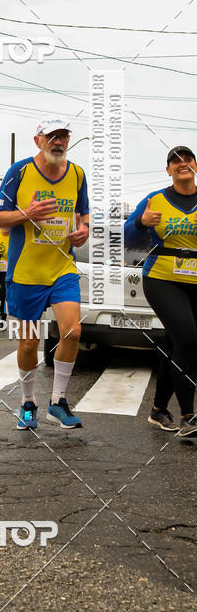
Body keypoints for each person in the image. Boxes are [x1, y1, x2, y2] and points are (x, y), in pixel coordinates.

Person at [0, 117, 90, 431]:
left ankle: (57, 402)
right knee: (29, 344)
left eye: (63, 136)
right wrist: (26, 214)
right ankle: (27, 402)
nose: (57, 142)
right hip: (26, 272)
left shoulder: (77, 173)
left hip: (62, 268)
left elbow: (83, 214)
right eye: (51, 137)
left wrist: (83, 230)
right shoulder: (19, 172)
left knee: (72, 331)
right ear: (38, 141)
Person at [124, 145, 197, 438]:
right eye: (174, 161)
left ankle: (157, 410)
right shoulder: (154, 200)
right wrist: (141, 223)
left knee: (176, 344)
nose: (182, 163)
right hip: (162, 277)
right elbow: (128, 237)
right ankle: (189, 417)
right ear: (168, 170)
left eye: (187, 159)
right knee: (190, 340)